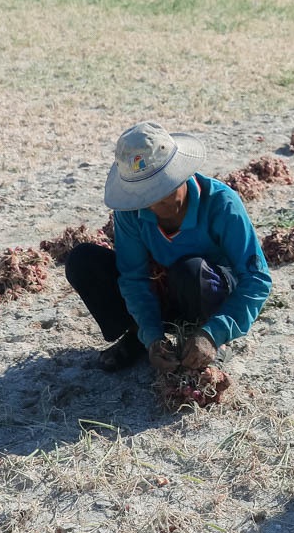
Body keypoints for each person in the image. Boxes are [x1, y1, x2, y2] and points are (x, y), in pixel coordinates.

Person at [64, 122, 271, 374]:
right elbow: (134, 278)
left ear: (179, 175)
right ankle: (139, 338)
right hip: (161, 294)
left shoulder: (221, 204)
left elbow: (256, 279)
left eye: (159, 194)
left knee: (191, 269)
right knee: (83, 260)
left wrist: (214, 332)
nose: (152, 207)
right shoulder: (131, 211)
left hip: (208, 294)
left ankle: (208, 339)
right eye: (143, 197)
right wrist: (151, 336)